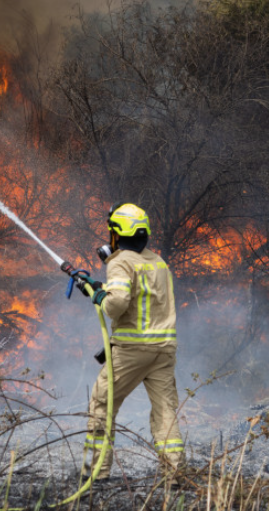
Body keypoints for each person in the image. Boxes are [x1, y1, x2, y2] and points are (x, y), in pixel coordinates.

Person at [78, 202, 184, 481]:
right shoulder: (158, 262)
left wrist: (100, 297)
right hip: (164, 350)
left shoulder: (121, 261)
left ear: (116, 234)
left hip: (133, 350)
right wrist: (101, 288)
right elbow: (141, 296)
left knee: (102, 405)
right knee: (165, 410)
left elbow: (116, 305)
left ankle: (96, 472)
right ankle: (173, 474)